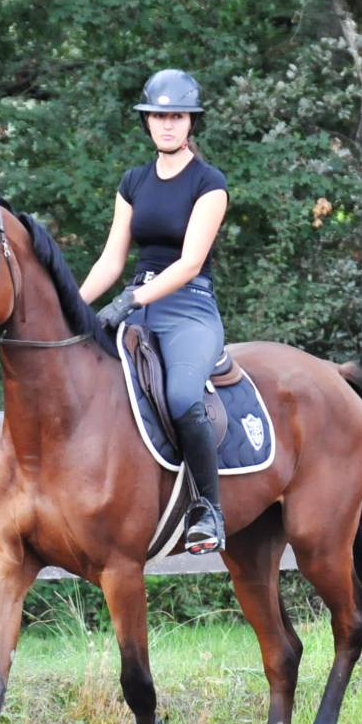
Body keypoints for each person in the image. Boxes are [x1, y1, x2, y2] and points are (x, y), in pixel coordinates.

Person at [79, 68, 230, 554]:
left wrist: (131, 300)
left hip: (188, 308)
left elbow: (189, 263)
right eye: (158, 116)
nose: (167, 125)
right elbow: (111, 260)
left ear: (191, 123)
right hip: (137, 303)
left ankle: (208, 508)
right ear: (146, 122)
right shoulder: (133, 181)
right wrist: (75, 307)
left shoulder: (209, 182)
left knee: (184, 395)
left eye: (177, 116)